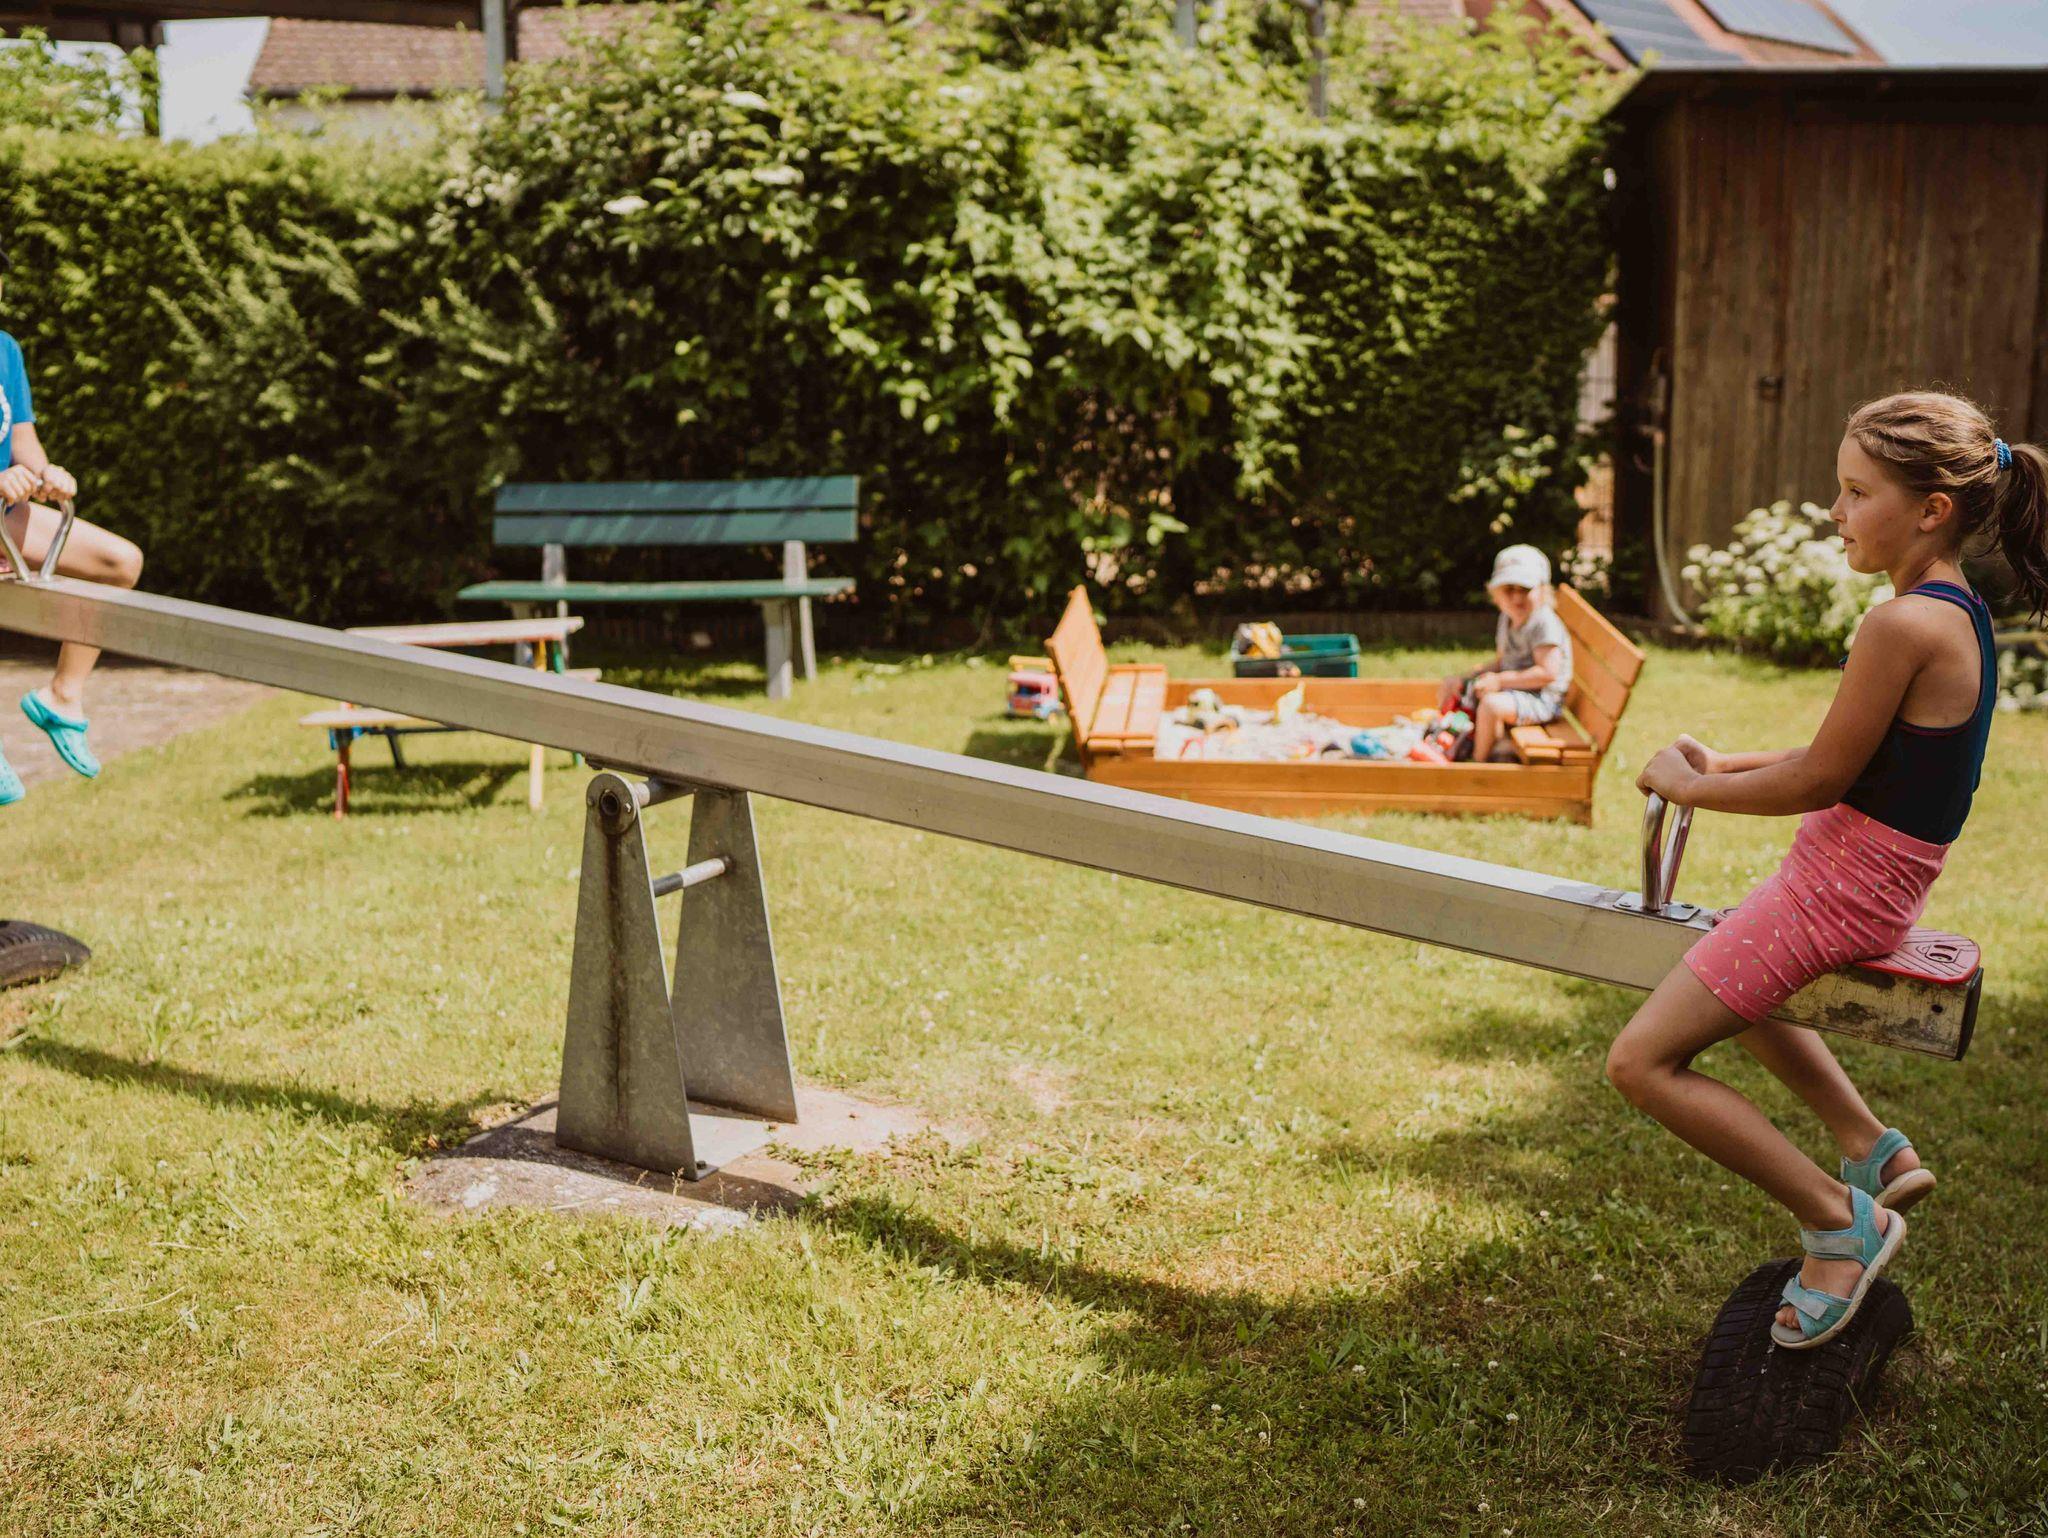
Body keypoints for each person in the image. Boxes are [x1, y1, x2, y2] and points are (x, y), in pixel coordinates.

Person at [1607, 391, 2046, 1349]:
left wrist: (1689, 787)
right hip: (1866, 883)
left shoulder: (1901, 627)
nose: (1836, 512)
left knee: (1640, 1063)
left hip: (1838, 895)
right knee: (1729, 968)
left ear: (1931, 510)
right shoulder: (1954, 612)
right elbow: (1855, 755)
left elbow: (1821, 779)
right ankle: (1872, 1149)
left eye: (1856, 492)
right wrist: (1724, 762)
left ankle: (1841, 1223)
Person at [0, 266, 145, 805]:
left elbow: (23, 439)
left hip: (4, 516)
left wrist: (45, 475)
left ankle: (61, 697)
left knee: (120, 563)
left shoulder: (5, 350)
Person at [1438, 545, 1574, 763]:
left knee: (1491, 704)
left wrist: (1499, 681)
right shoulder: (1507, 618)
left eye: (1525, 589)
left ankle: (1478, 763)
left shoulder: (1543, 623)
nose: (1517, 597)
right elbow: (1503, 661)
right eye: (1509, 589)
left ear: (1542, 591)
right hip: (1516, 691)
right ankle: (1450, 741)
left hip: (1543, 701)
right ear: (1495, 594)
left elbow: (1547, 673)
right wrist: (1467, 677)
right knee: (1452, 685)